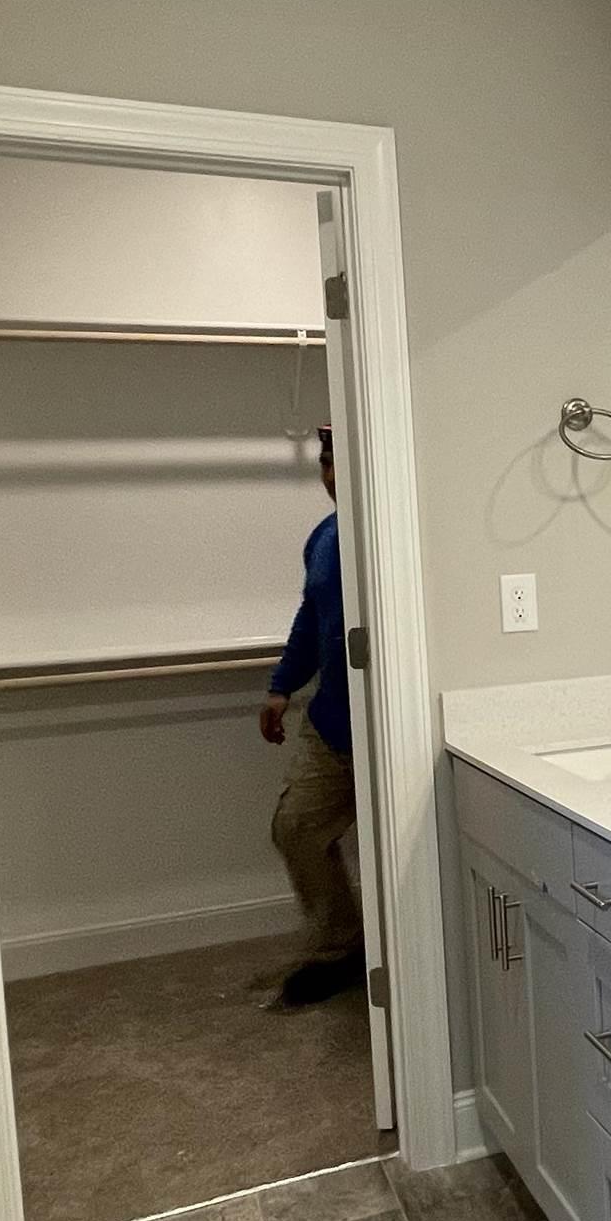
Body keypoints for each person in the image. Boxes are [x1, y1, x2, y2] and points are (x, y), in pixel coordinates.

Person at [260, 427, 363, 1007]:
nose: (331, 475)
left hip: (384, 731)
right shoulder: (324, 537)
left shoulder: (392, 536)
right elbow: (311, 618)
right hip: (330, 724)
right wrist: (281, 688)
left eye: (339, 461)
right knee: (296, 828)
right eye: (325, 462)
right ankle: (341, 950)